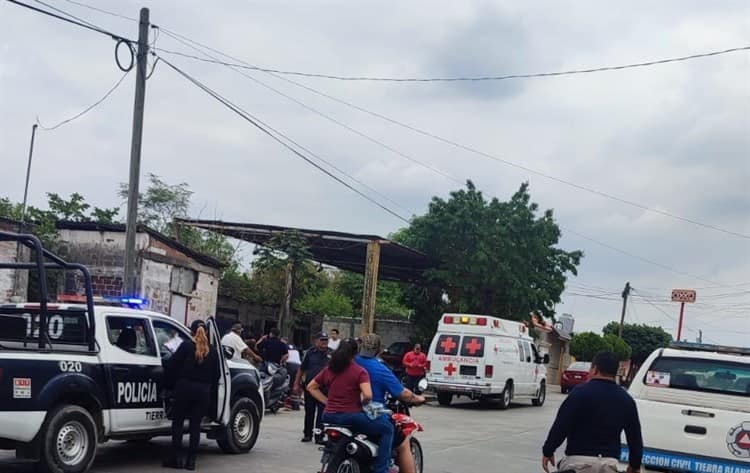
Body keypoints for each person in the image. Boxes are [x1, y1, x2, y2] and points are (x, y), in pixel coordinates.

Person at [542, 351, 643, 473]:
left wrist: (548, 451)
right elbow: (635, 438)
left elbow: (561, 425)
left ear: (595, 369)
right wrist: (634, 466)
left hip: (578, 462)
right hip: (609, 463)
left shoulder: (579, 393)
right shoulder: (627, 400)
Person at [307, 339, 394, 473]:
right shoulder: (359, 371)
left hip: (328, 416)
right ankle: (381, 469)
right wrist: (364, 404)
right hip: (350, 417)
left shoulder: (329, 369)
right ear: (356, 353)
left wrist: (327, 402)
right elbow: (368, 395)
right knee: (387, 429)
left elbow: (311, 387)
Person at [357, 333, 426, 473]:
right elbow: (402, 393)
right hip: (370, 414)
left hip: (340, 412)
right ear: (379, 350)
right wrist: (418, 399)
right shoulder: (380, 368)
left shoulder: (348, 363)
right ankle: (382, 468)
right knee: (401, 441)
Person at [163, 320, 219, 470]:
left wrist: (171, 383)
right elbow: (217, 375)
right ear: (206, 332)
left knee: (178, 424)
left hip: (184, 389)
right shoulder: (212, 351)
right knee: (195, 427)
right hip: (203, 392)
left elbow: (171, 364)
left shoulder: (186, 346)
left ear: (192, 332)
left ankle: (176, 459)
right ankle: (191, 462)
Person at [294, 332, 331, 443]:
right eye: (322, 340)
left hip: (324, 388)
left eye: (326, 340)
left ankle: (319, 436)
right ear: (316, 341)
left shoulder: (332, 354)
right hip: (310, 387)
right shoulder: (310, 353)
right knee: (309, 411)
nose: (324, 342)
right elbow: (302, 368)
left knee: (322, 413)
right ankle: (307, 434)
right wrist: (297, 383)